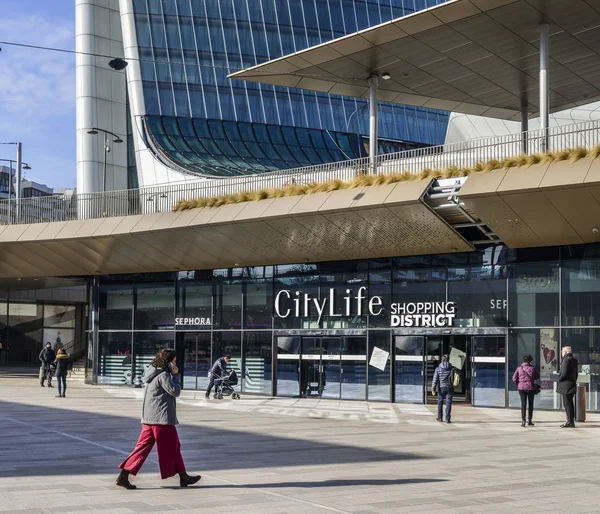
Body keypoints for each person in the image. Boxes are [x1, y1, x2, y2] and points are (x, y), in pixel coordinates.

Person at [116, 348, 200, 490]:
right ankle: (183, 476)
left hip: (149, 418)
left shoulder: (152, 372)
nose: (175, 363)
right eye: (174, 360)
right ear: (169, 361)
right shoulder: (164, 375)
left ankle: (123, 476)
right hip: (161, 419)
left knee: (144, 448)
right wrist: (176, 375)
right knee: (174, 446)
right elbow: (175, 391)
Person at [512, 354, 540, 427]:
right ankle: (530, 420)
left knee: (523, 404)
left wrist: (518, 384)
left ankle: (523, 421)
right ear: (530, 361)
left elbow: (514, 378)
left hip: (521, 388)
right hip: (530, 388)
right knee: (531, 404)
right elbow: (537, 376)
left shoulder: (519, 368)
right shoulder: (532, 368)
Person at [557, 345, 579, 428]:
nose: (562, 353)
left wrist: (559, 379)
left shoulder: (566, 360)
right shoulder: (574, 360)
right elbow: (576, 373)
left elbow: (564, 373)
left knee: (567, 404)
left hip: (566, 385)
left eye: (562, 351)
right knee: (570, 403)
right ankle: (571, 420)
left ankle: (570, 422)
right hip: (572, 383)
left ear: (565, 352)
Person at [432, 355, 457, 424]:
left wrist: (433, 389)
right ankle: (447, 419)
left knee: (440, 402)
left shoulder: (438, 368)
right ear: (449, 360)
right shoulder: (451, 368)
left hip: (441, 387)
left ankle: (440, 417)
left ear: (442, 360)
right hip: (450, 387)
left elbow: (435, 379)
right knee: (448, 403)